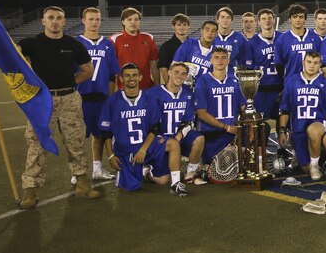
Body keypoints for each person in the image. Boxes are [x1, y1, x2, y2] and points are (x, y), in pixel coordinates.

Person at [18, 6, 103, 208]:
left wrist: (70, 82)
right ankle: (30, 190)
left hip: (69, 98)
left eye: (59, 18)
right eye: (50, 18)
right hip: (42, 101)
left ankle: (82, 183)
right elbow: (15, 61)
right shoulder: (31, 44)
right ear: (43, 21)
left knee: (75, 143)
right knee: (37, 145)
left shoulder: (73, 45)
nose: (55, 21)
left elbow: (87, 70)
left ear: (64, 22)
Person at [97, 63, 186, 196]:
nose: (131, 78)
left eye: (134, 75)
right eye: (127, 76)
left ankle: (175, 183)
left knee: (172, 148)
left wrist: (143, 150)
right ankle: (141, 170)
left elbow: (155, 128)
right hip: (126, 150)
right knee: (130, 188)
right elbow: (106, 132)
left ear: (140, 77)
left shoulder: (148, 97)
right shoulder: (113, 101)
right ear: (121, 79)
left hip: (147, 146)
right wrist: (110, 155)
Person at [75, 7, 119, 182]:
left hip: (101, 96)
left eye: (97, 19)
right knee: (77, 136)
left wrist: (110, 98)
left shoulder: (107, 44)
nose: (94, 22)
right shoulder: (76, 43)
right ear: (83, 20)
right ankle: (77, 172)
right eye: (91, 19)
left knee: (100, 134)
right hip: (81, 96)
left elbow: (111, 74)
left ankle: (97, 169)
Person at [277, 51, 326, 181]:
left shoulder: (325, 84)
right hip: (298, 128)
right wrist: (282, 131)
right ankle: (303, 158)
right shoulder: (292, 81)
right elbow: (285, 110)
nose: (312, 66)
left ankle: (315, 164)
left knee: (313, 131)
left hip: (318, 123)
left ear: (320, 65)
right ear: (303, 62)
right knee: (305, 168)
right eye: (309, 62)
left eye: (315, 63)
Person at [153, 61, 206, 189]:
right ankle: (146, 170)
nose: (179, 76)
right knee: (163, 180)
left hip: (178, 137)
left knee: (199, 138)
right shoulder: (153, 93)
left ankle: (190, 173)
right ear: (169, 72)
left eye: (183, 74)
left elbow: (189, 121)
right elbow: (150, 122)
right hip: (160, 138)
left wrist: (178, 137)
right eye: (176, 72)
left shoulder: (188, 92)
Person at [193, 47, 246, 166]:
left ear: (228, 60)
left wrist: (251, 125)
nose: (220, 61)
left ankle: (254, 161)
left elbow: (243, 106)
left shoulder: (234, 79)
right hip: (212, 131)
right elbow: (201, 113)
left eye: (223, 58)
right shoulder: (203, 80)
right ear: (211, 60)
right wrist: (226, 127)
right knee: (216, 168)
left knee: (261, 129)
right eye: (216, 58)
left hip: (232, 130)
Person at [243, 8, 282, 120]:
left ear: (274, 20)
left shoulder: (282, 38)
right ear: (259, 22)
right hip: (261, 91)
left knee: (283, 124)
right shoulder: (252, 42)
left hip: (280, 89)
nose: (267, 21)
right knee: (260, 124)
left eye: (270, 18)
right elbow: (249, 70)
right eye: (263, 18)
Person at [110, 7, 159, 89]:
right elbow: (111, 67)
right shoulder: (115, 39)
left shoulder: (149, 38)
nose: (133, 22)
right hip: (124, 88)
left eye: (136, 19)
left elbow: (153, 64)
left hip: (146, 86)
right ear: (123, 21)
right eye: (129, 19)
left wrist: (158, 86)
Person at [275, 4, 324, 84]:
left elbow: (321, 60)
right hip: (291, 82)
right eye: (295, 17)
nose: (298, 20)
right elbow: (279, 64)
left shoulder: (315, 37)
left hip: (313, 82)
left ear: (305, 19)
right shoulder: (282, 39)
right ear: (290, 19)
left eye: (301, 17)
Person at [174, 19, 219, 86]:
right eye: (207, 30)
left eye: (213, 31)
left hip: (203, 90)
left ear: (216, 34)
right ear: (201, 31)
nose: (210, 33)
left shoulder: (217, 53)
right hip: (184, 88)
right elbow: (174, 65)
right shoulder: (189, 44)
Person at [158, 13, 191, 84]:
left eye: (184, 24)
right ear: (174, 26)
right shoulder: (166, 46)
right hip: (175, 83)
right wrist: (170, 86)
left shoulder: (195, 44)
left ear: (189, 26)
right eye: (179, 25)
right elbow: (163, 68)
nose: (182, 27)